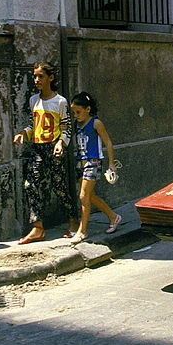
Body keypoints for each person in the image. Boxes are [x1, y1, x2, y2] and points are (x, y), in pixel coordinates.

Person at [12, 62, 78, 244]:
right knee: (30, 185)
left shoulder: (60, 101)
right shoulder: (34, 100)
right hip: (38, 149)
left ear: (51, 78)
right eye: (35, 76)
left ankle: (73, 221)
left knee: (59, 187)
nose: (37, 80)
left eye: (41, 76)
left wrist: (61, 143)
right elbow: (33, 126)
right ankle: (37, 227)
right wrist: (23, 134)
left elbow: (66, 127)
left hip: (54, 149)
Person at [68, 92, 123, 244]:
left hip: (93, 162)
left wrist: (111, 163)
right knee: (89, 196)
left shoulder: (96, 123)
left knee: (83, 196)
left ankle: (82, 231)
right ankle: (113, 217)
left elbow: (108, 142)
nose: (76, 115)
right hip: (81, 162)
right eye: (74, 112)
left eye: (78, 112)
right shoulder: (77, 125)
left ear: (88, 109)